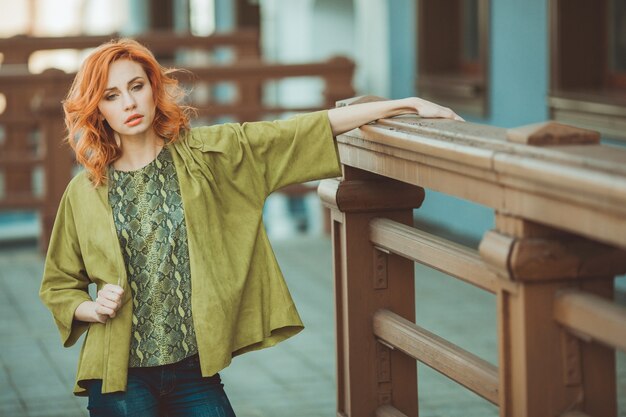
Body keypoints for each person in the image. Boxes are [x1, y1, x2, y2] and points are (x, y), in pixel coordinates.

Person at [39, 38, 462, 417]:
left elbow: (294, 133)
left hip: (193, 372)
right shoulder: (85, 192)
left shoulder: (209, 155)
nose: (129, 104)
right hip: (118, 379)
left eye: (136, 86)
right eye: (112, 96)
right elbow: (59, 284)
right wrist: (91, 308)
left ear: (154, 88)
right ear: (98, 110)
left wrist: (403, 105)